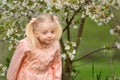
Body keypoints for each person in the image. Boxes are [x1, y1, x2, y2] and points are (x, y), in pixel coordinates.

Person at [7, 14, 62, 80]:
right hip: (27, 76)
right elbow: (15, 64)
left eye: (52, 32)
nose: (49, 35)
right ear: (36, 33)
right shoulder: (26, 45)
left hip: (47, 76)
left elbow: (56, 64)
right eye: (45, 33)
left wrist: (56, 78)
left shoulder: (55, 45)